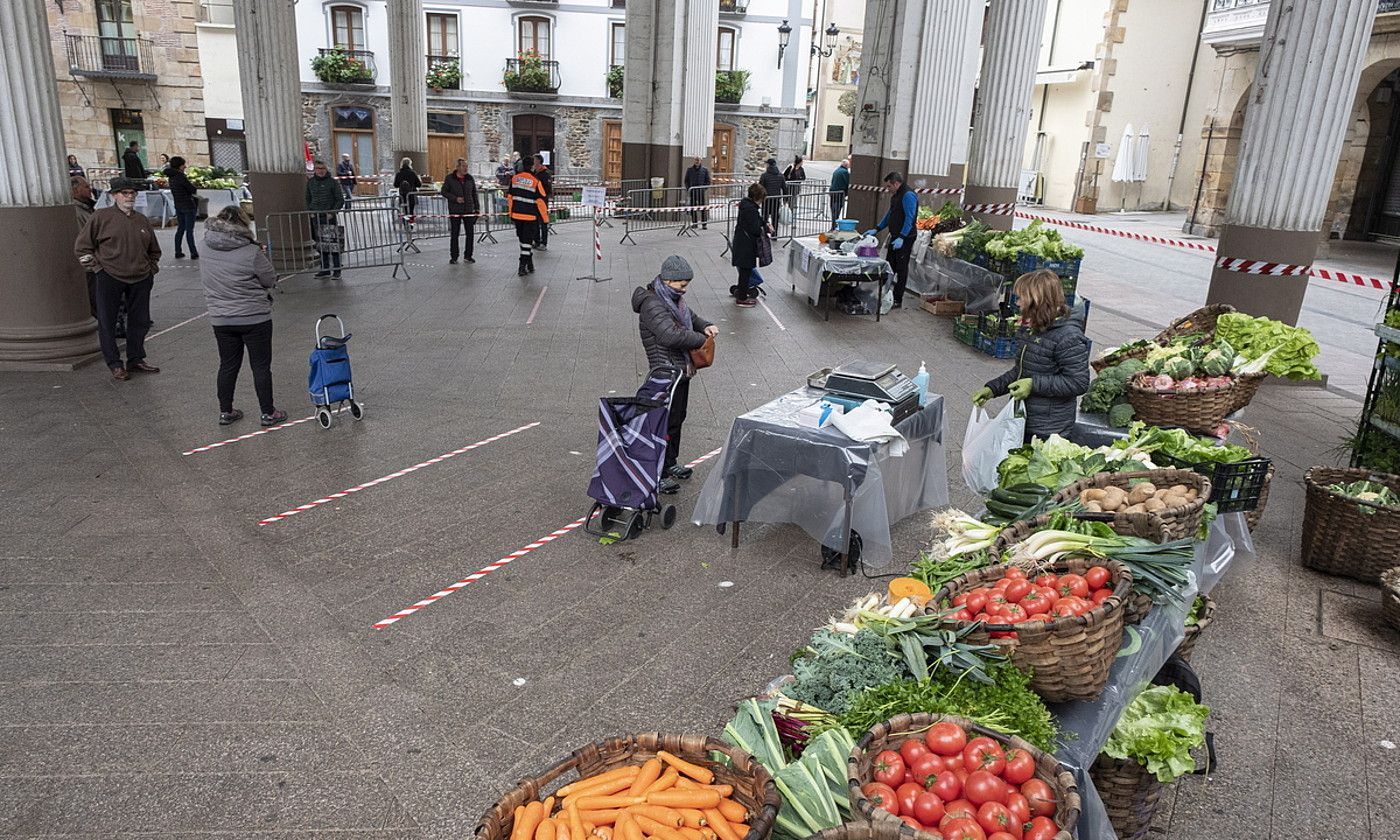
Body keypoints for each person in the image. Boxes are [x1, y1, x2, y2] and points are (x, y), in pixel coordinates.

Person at [631, 255, 718, 495]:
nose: (685, 289)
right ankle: (655, 475)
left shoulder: (672, 299)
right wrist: (703, 340)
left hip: (680, 371)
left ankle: (669, 464)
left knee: (676, 419)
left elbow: (691, 317)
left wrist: (705, 325)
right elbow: (669, 335)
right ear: (668, 280)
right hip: (665, 372)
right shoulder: (652, 304)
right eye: (682, 284)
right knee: (661, 424)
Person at [973, 269, 1091, 442]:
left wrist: (1033, 384)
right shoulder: (1031, 329)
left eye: (1022, 298)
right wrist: (993, 388)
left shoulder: (1068, 337)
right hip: (1023, 419)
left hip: (1049, 429)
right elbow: (1022, 371)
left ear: (1037, 302)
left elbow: (1078, 382)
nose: (1018, 303)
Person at [199, 206, 287, 427]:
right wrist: (261, 254)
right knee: (260, 366)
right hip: (254, 317)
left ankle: (225, 411)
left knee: (227, 365)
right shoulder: (251, 252)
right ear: (242, 224)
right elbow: (269, 279)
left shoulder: (204, 246)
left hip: (220, 317)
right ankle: (268, 413)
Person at [75, 177, 161, 381]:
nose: (129, 196)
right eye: (125, 193)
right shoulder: (101, 217)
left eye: (132, 193)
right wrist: (97, 269)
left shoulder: (141, 220)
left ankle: (136, 358)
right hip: (109, 276)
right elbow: (82, 247)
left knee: (139, 321)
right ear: (114, 195)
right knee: (107, 321)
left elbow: (154, 249)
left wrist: (151, 269)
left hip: (140, 277)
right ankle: (114, 363)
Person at [863, 171, 918, 309]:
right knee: (890, 266)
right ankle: (884, 294)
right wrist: (877, 228)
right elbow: (890, 214)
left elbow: (909, 218)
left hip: (905, 238)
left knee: (901, 268)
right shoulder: (896, 195)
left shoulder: (908, 195)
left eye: (889, 186)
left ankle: (898, 299)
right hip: (895, 237)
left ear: (896, 183)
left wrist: (902, 237)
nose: (888, 190)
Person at [729, 184, 771, 307]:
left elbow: (758, 220)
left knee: (744, 270)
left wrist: (765, 223)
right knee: (745, 271)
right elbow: (755, 229)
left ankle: (742, 292)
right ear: (758, 197)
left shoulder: (747, 206)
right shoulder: (751, 209)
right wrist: (764, 229)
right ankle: (742, 298)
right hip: (746, 244)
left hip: (742, 242)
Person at [305, 159, 345, 278]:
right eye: (318, 168)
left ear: (326, 169)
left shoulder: (332, 182)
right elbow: (308, 198)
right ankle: (325, 268)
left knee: (333, 244)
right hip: (315, 216)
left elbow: (339, 199)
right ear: (315, 170)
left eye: (322, 168)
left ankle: (337, 269)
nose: (320, 171)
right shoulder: (311, 182)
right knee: (320, 244)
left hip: (329, 216)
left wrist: (332, 212)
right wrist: (310, 211)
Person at [508, 158, 548, 276]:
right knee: (527, 242)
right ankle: (522, 266)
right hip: (530, 217)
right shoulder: (535, 181)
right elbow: (541, 201)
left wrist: (511, 214)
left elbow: (510, 198)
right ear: (531, 167)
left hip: (517, 215)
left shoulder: (514, 179)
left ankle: (529, 264)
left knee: (523, 241)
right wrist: (545, 219)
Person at [440, 157, 479, 265]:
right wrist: (455, 198)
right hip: (455, 210)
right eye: (463, 166)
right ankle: (454, 256)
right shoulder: (450, 178)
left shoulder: (470, 178)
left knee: (470, 234)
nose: (466, 168)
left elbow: (474, 194)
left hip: (468, 209)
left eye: (466, 166)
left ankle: (468, 255)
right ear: (457, 167)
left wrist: (477, 208)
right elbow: (444, 192)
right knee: (455, 234)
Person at [167, 156, 199, 260]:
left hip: (178, 205)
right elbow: (192, 189)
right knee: (189, 230)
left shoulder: (171, 176)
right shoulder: (181, 176)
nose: (185, 166)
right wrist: (194, 186)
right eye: (183, 165)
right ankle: (193, 252)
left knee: (180, 229)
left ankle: (178, 251)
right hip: (188, 205)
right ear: (179, 166)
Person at [758, 158, 786, 235]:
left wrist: (759, 199)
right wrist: (786, 201)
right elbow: (784, 188)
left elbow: (760, 187)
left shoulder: (764, 175)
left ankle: (764, 233)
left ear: (768, 165)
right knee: (775, 217)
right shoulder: (781, 176)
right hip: (776, 200)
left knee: (764, 217)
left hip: (766, 199)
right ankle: (774, 233)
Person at [684, 156, 712, 230]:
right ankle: (695, 223)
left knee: (703, 208)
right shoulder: (689, 170)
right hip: (692, 192)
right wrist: (689, 188)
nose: (697, 161)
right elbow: (686, 180)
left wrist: (703, 189)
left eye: (698, 160)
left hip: (701, 192)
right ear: (694, 161)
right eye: (696, 160)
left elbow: (708, 181)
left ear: (700, 161)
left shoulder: (704, 170)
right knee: (693, 208)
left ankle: (704, 224)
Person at [533, 154, 553, 250]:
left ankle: (543, 243)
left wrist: (544, 196)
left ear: (538, 161)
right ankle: (536, 241)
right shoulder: (534, 172)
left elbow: (548, 188)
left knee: (543, 222)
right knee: (535, 222)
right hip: (534, 201)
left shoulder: (546, 173)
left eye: (535, 160)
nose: (533, 162)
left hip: (542, 201)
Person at [393, 157, 422, 222]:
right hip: (411, 195)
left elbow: (395, 185)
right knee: (411, 211)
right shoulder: (412, 173)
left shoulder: (399, 174)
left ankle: (405, 224)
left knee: (404, 210)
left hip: (402, 195)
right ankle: (411, 224)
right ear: (410, 164)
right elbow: (419, 184)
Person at [829, 158, 851, 227]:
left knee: (833, 209)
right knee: (837, 209)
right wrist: (847, 193)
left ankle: (833, 224)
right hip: (839, 193)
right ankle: (834, 225)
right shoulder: (845, 172)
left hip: (832, 192)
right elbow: (847, 183)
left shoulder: (836, 170)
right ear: (846, 165)